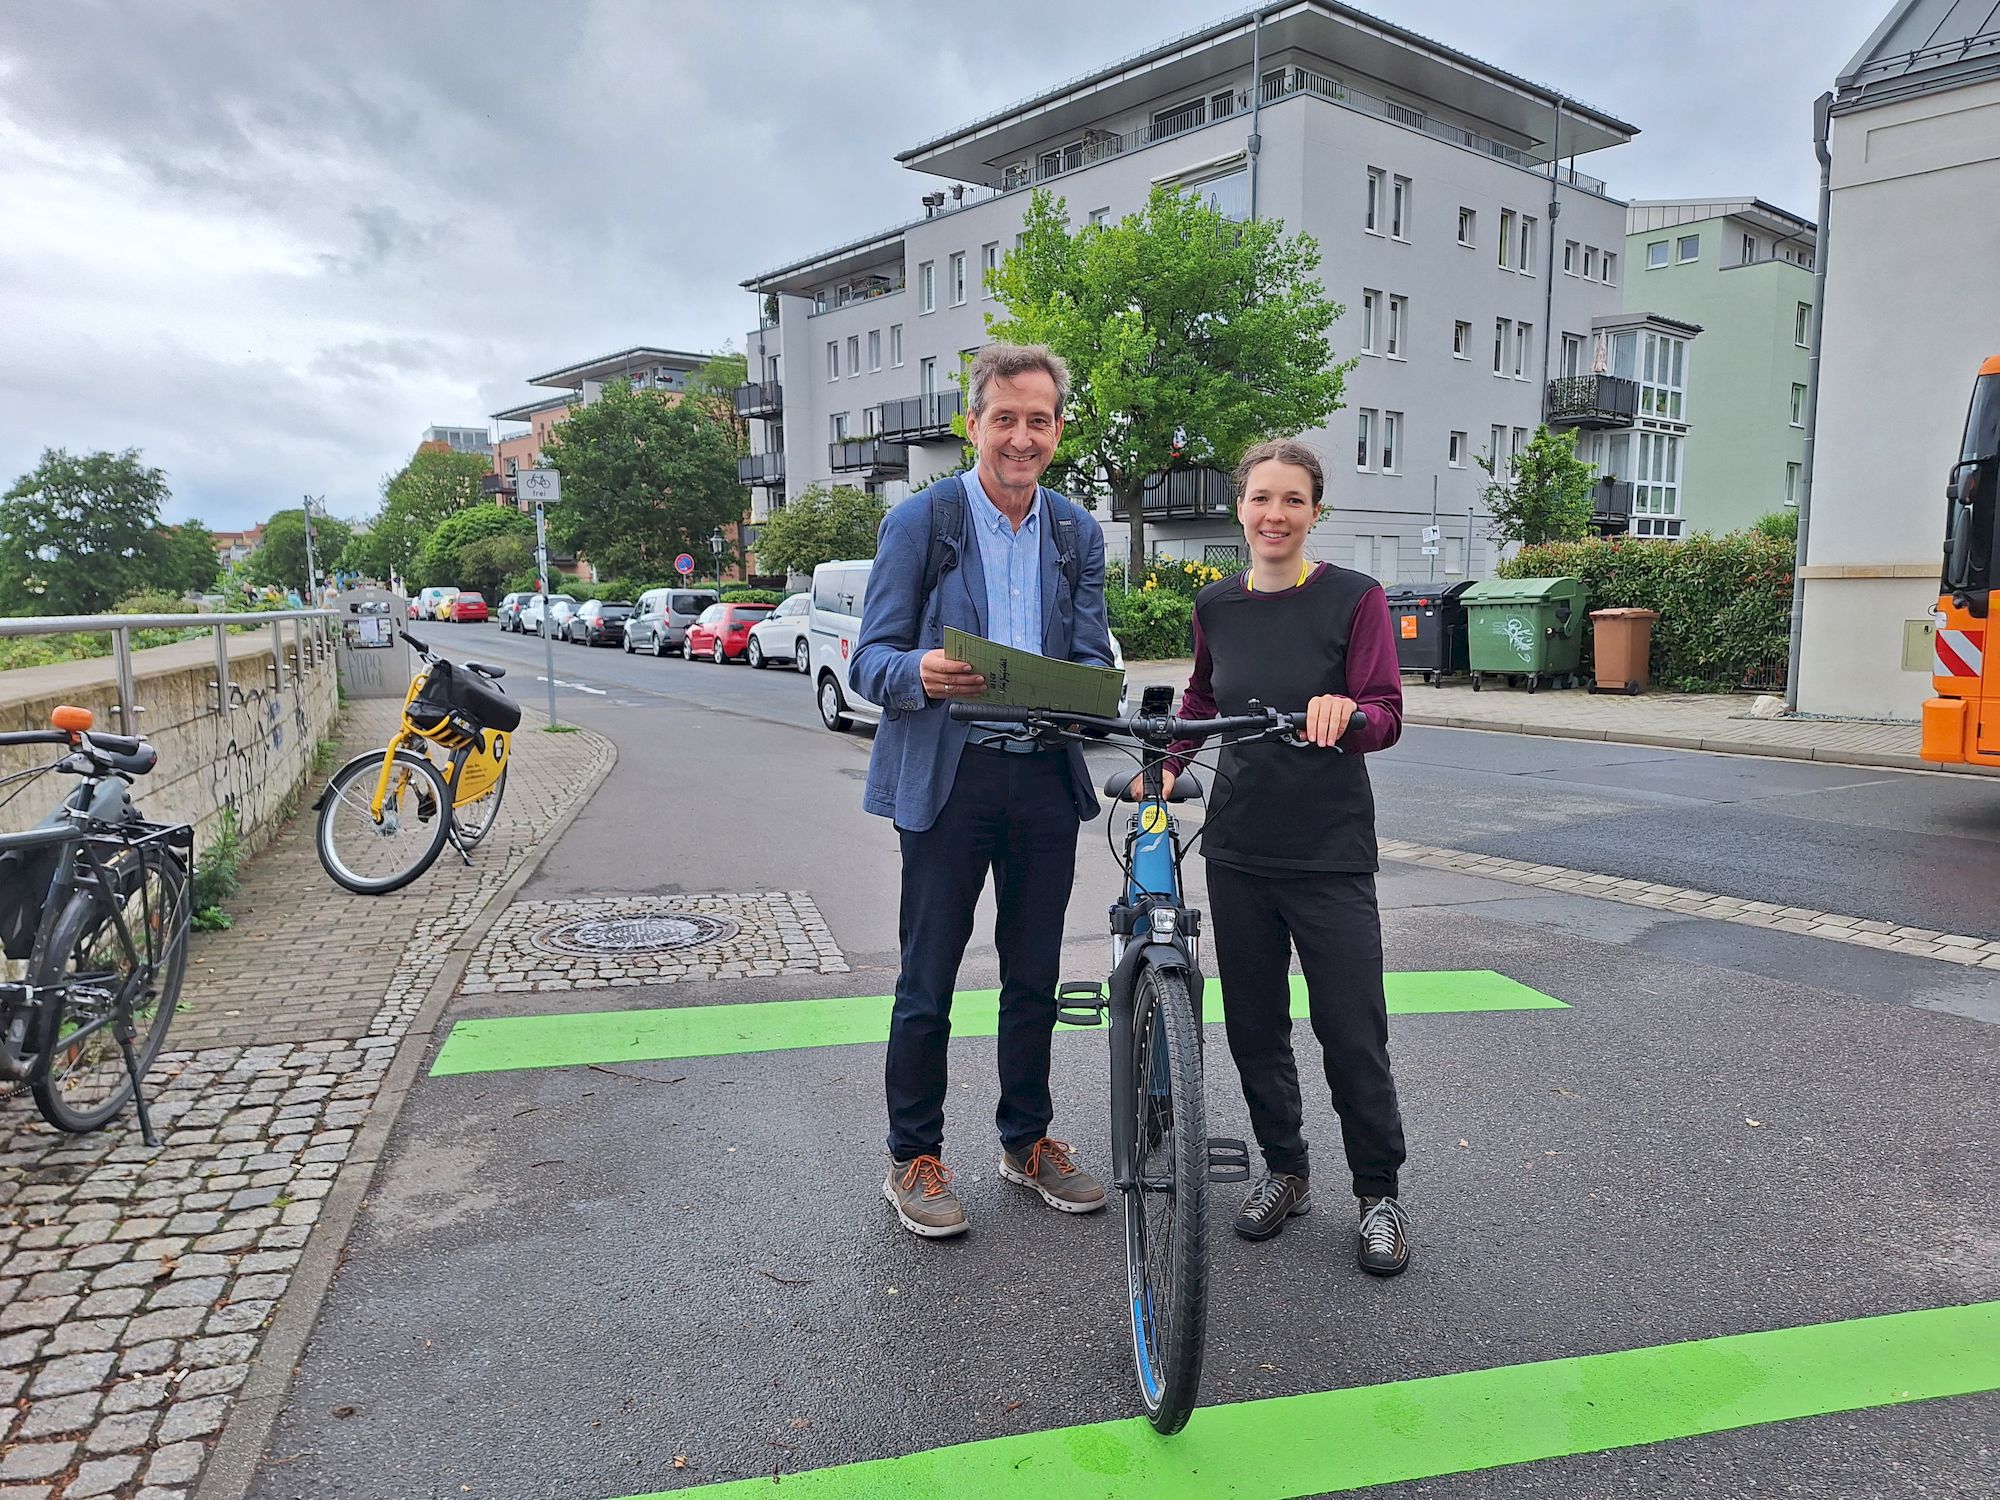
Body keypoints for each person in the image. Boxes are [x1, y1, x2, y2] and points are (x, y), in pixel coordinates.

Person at [851, 343, 1116, 1239]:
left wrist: (1092, 695)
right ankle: (913, 1156)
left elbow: (1089, 655)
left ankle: (1026, 1140)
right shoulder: (922, 522)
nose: (1021, 437)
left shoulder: (1076, 533)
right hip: (950, 778)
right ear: (974, 425)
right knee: (928, 978)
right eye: (1005, 418)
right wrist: (918, 671)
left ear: (1058, 430)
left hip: (1042, 774)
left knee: (1034, 976)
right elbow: (870, 659)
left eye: (1038, 420)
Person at [1152, 437, 1413, 1275]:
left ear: (1314, 512)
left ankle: (1378, 1195)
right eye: (1262, 498)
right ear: (1240, 507)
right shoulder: (1216, 605)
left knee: (1352, 1030)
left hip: (1329, 851)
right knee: (1254, 1026)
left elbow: (1386, 710)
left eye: (1292, 500)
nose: (1275, 514)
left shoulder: (1354, 598)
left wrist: (1349, 714)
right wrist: (1169, 764)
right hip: (1238, 847)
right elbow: (1201, 696)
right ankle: (1285, 1169)